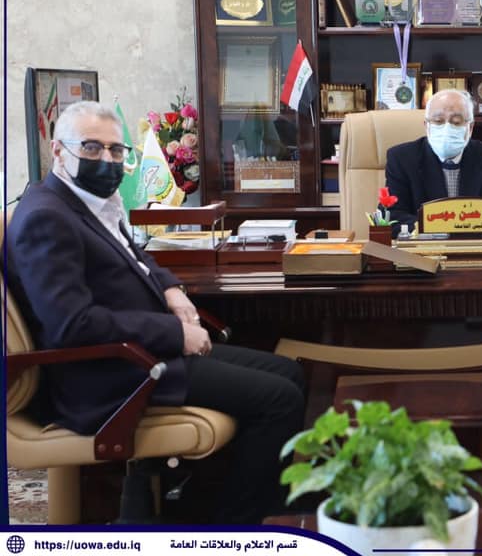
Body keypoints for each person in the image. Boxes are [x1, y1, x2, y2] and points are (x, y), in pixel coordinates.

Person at [6, 101, 306, 525]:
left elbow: (136, 258)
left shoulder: (87, 201)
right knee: (280, 399)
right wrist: (175, 334)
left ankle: (264, 501)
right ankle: (232, 523)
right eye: (91, 148)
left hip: (139, 355)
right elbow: (73, 324)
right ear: (58, 150)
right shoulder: (46, 218)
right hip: (108, 374)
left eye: (116, 150)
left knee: (289, 373)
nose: (107, 159)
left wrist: (172, 290)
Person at [384, 89, 482, 235]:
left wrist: (475, 225)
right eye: (438, 121)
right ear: (427, 126)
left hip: (476, 250)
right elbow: (391, 218)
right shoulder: (402, 159)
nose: (447, 128)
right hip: (422, 251)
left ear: (470, 128)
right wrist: (447, 228)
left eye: (456, 122)